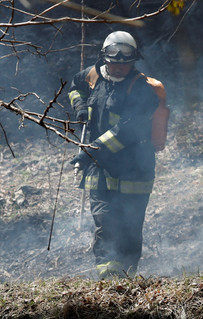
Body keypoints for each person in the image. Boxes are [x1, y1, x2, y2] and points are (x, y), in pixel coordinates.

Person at [68, 31, 168, 278]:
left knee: (130, 226)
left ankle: (126, 276)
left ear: (134, 61)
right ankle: (108, 279)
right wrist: (81, 107)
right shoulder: (92, 76)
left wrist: (92, 151)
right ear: (104, 58)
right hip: (100, 168)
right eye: (115, 62)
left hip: (135, 168)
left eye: (126, 63)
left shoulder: (143, 91)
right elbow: (74, 86)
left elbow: (127, 130)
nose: (120, 67)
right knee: (105, 222)